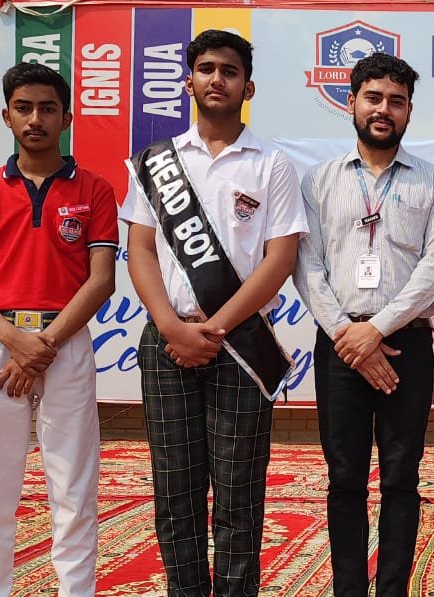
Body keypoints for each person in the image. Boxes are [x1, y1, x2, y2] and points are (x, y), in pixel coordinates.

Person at [122, 30, 307, 595]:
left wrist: (217, 327)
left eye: (229, 70)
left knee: (238, 494)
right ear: (189, 82)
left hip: (240, 345)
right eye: (206, 69)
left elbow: (280, 259)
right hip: (168, 342)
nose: (217, 79)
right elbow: (141, 250)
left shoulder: (272, 164)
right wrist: (171, 327)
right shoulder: (156, 162)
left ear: (247, 87)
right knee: (175, 491)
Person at [0, 62, 118, 596]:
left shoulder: (95, 189)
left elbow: (101, 280)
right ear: (7, 116)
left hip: (64, 346)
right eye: (23, 108)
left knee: (73, 487)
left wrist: (42, 345)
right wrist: (15, 341)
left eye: (48, 108)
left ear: (67, 117)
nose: (35, 119)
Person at [292, 52, 434, 597]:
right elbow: (307, 266)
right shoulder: (319, 181)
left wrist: (377, 330)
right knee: (344, 479)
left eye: (397, 101)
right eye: (374, 98)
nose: (384, 109)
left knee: (401, 479)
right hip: (339, 346)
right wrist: (349, 335)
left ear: (409, 111)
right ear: (351, 102)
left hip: (406, 346)